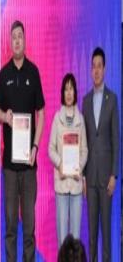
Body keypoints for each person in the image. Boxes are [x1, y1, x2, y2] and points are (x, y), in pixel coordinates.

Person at [0, 20, 45, 262]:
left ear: (25, 40)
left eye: (20, 36)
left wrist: (35, 146)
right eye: (13, 37)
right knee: (11, 225)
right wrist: (5, 117)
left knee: (29, 227)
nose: (16, 40)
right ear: (10, 41)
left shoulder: (33, 72)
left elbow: (41, 113)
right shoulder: (4, 74)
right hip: (10, 166)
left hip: (29, 164)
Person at [82, 47, 119, 262]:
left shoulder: (112, 99)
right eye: (93, 67)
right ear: (90, 70)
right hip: (90, 178)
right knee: (92, 235)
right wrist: (83, 176)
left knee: (106, 233)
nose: (96, 70)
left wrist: (114, 174)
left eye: (99, 66)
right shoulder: (85, 101)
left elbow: (116, 139)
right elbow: (84, 140)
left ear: (104, 69)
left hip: (106, 179)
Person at [48, 73, 88, 247]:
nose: (69, 93)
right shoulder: (57, 118)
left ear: (75, 92)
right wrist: (61, 165)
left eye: (71, 89)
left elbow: (84, 150)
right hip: (62, 184)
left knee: (76, 239)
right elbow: (51, 148)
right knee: (62, 240)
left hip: (76, 184)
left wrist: (78, 166)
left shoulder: (81, 119)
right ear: (62, 93)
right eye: (66, 89)